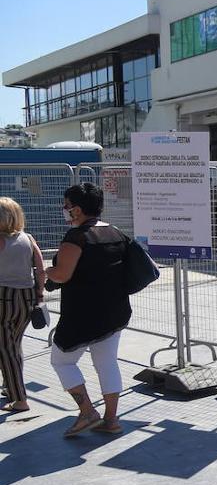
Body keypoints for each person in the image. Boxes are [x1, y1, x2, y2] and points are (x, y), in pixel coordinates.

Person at [45, 183, 131, 436]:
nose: (64, 209)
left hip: (82, 314)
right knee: (107, 363)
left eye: (66, 206)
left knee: (61, 361)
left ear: (77, 210)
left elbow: (61, 275)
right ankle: (111, 420)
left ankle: (87, 411)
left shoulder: (76, 237)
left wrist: (46, 272)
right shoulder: (115, 233)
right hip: (114, 312)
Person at [0, 197, 46, 413]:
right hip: (27, 297)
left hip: (3, 297)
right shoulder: (28, 238)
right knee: (13, 345)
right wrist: (39, 293)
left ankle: (19, 398)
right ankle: (11, 387)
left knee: (6, 348)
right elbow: (40, 268)